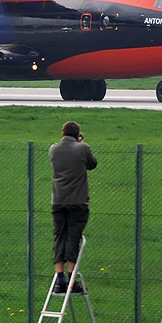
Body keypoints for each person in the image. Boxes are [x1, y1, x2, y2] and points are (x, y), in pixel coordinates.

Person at [48, 121, 97, 294]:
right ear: (77, 135)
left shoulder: (53, 149)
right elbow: (92, 164)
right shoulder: (82, 148)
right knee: (73, 239)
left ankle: (59, 278)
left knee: (59, 236)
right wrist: (81, 143)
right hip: (77, 201)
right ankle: (71, 280)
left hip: (58, 201)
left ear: (62, 134)